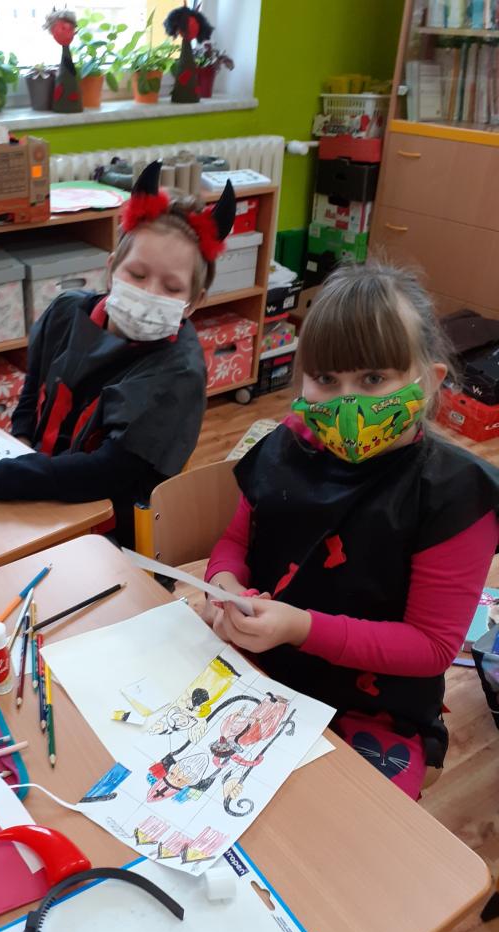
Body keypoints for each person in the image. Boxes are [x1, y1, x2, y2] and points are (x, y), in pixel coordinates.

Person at [204, 262, 499, 799]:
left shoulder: (454, 494)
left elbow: (432, 646)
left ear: (429, 381)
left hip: (373, 708)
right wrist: (222, 587)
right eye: (326, 379)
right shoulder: (286, 444)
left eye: (373, 379)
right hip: (258, 665)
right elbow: (235, 543)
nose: (347, 403)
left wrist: (299, 627)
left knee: (339, 829)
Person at [0, 162, 236, 546]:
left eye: (172, 287)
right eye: (137, 274)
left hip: (106, 529)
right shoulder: (67, 313)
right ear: (112, 268)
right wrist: (21, 446)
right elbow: (32, 393)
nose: (149, 293)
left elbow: (105, 474)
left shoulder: (177, 373)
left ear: (193, 302)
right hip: (32, 490)